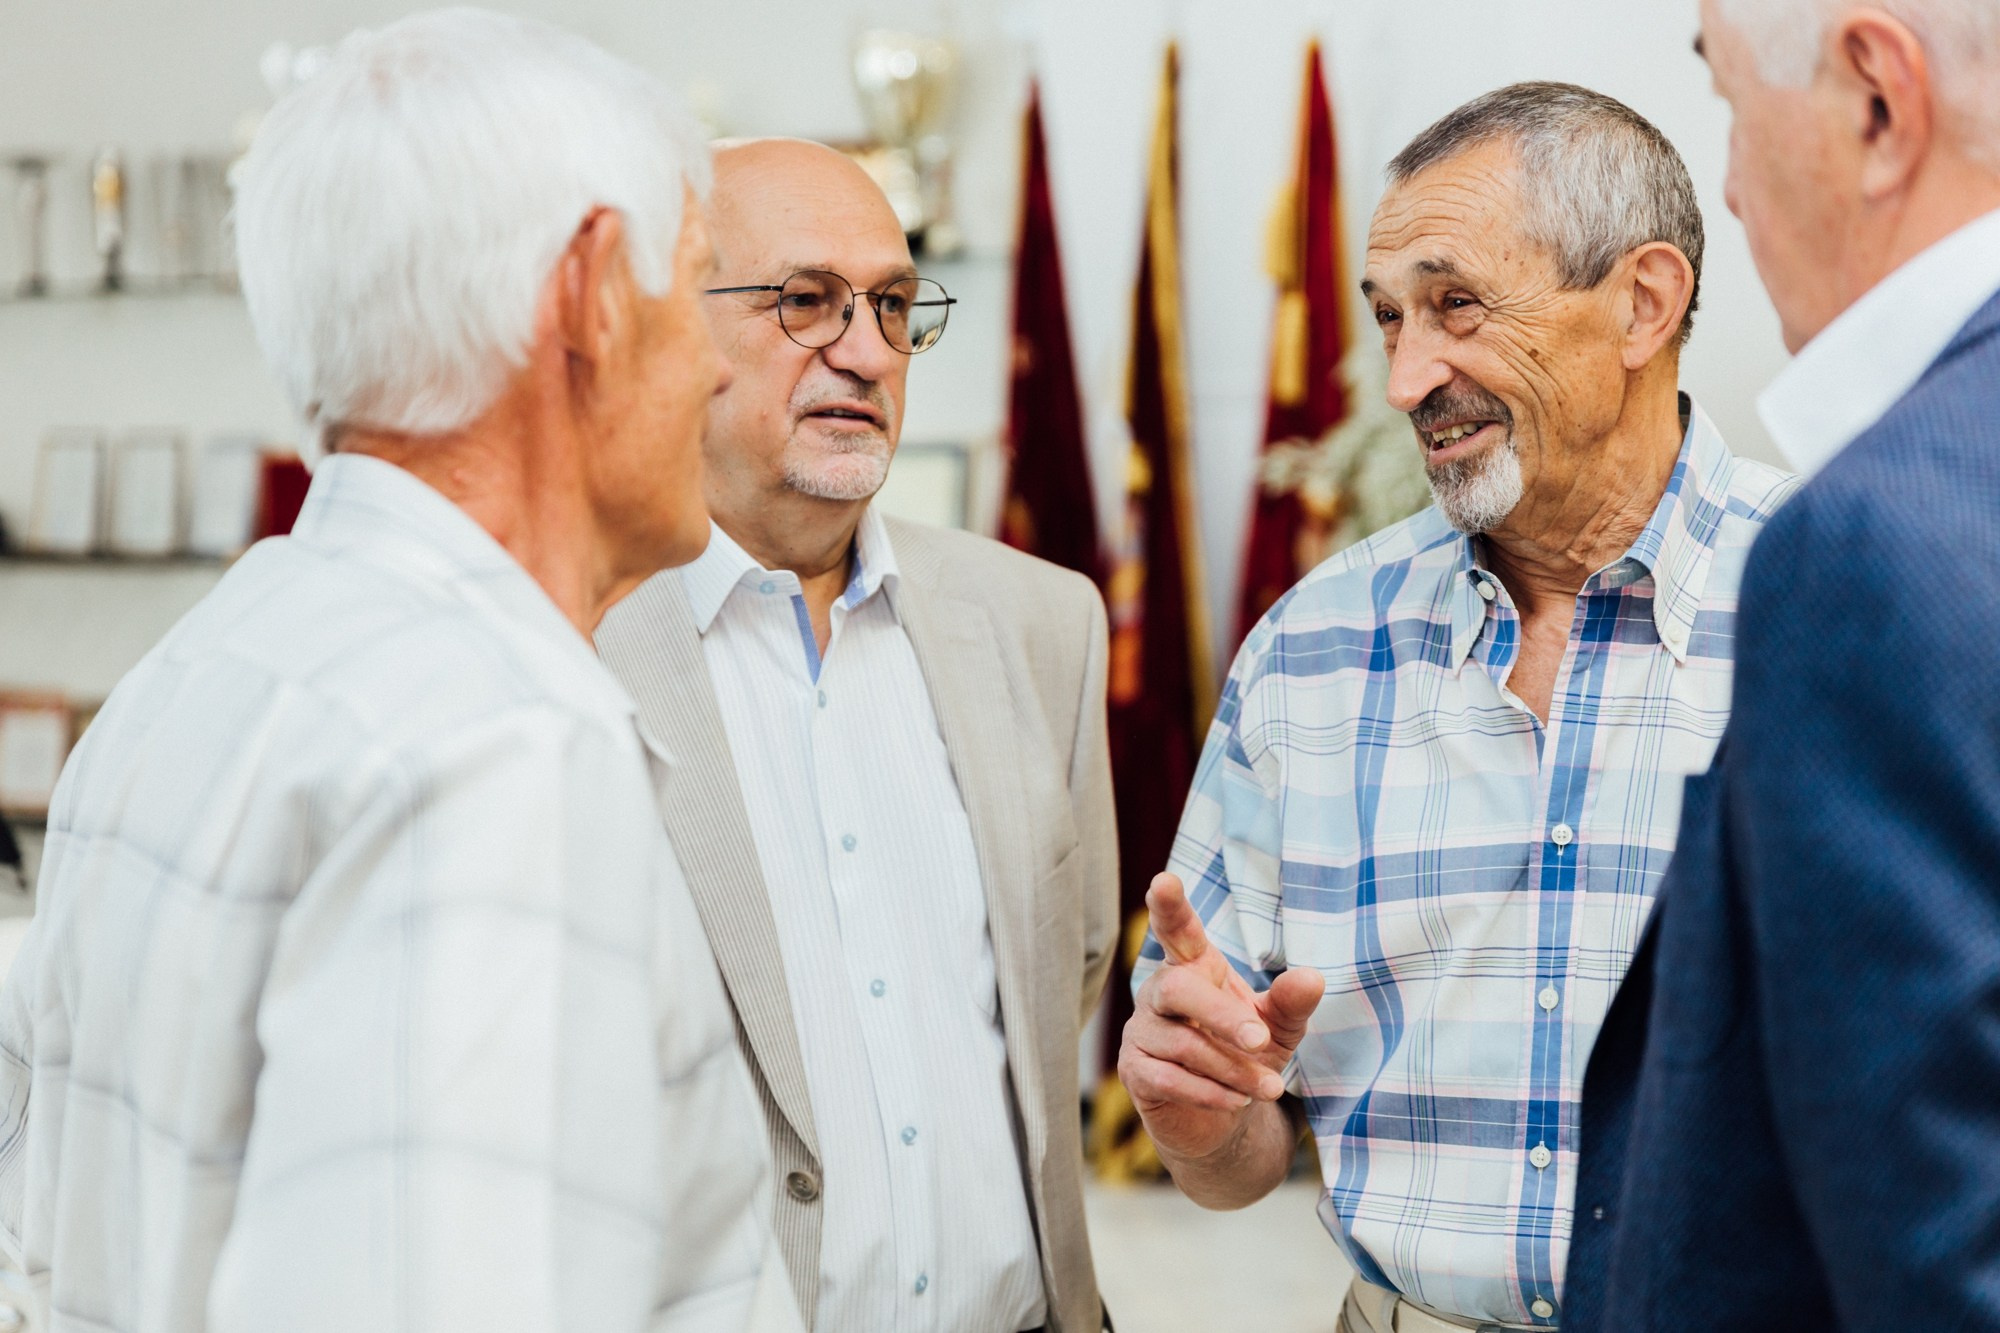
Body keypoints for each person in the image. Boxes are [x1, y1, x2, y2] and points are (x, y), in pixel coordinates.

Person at [0, 11, 795, 1331]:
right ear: (594, 291)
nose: (717, 366)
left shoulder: (205, 664)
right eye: (699, 285)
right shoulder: (495, 751)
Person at [1118, 83, 1797, 1332]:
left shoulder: (1841, 608)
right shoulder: (1310, 647)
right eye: (1387, 319)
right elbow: (1233, 1160)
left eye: (1454, 306)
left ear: (1641, 303)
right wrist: (1196, 1108)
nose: (1402, 377)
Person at [594, 138, 1116, 1333]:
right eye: (805, 302)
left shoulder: (1040, 622)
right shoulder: (567, 648)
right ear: (670, 326)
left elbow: (1067, 962)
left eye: (889, 304)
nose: (869, 353)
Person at [1565, 3, 2000, 1328]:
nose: (1734, 195)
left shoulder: (1875, 539)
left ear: (1875, 103)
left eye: (1734, 113)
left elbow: (1942, 1254)